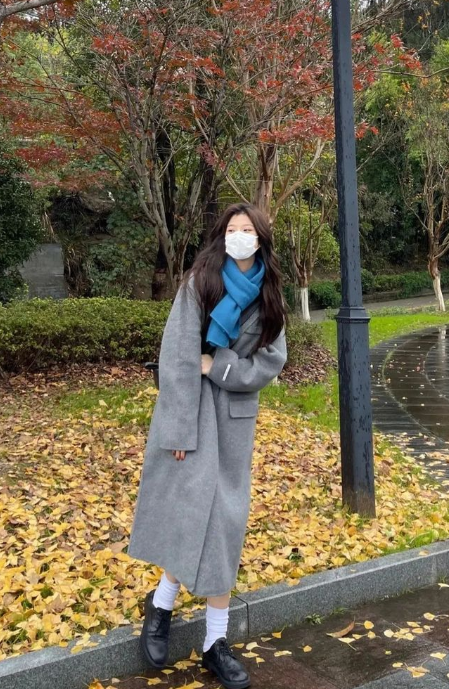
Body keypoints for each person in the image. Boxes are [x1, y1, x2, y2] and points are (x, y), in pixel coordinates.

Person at [127, 202, 288, 689]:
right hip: (192, 414)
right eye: (232, 229)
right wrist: (178, 429)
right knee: (190, 513)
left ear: (260, 238)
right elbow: (178, 356)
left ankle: (214, 641)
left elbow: (270, 362)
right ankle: (161, 606)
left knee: (224, 525)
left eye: (248, 229)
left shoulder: (269, 293)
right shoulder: (200, 282)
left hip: (234, 421)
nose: (239, 236)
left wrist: (217, 366)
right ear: (222, 235)